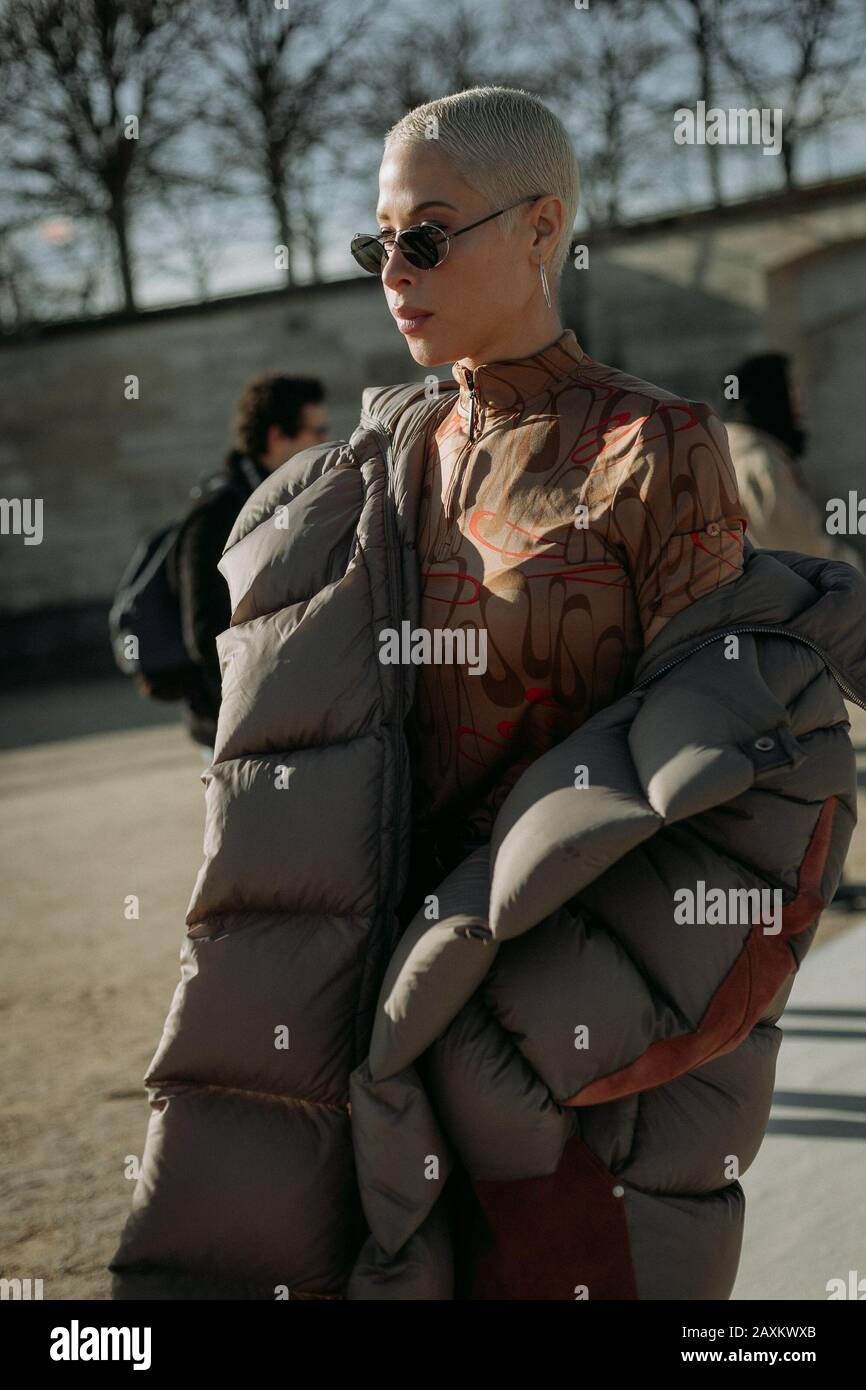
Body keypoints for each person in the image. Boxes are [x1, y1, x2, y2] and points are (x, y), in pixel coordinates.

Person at [110, 86, 866, 1301]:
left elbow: (722, 742)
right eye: (377, 243)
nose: (392, 271)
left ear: (538, 227)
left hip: (569, 1008)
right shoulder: (382, 459)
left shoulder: (652, 444)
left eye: (425, 235)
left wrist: (514, 1013)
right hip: (383, 984)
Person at [174, 374, 329, 755]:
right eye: (318, 431)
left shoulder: (282, 496)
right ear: (278, 437)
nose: (325, 442)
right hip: (234, 720)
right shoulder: (219, 511)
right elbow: (204, 632)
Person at [722, 352, 862, 569]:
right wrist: (853, 570)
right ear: (771, 396)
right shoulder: (760, 465)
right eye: (791, 388)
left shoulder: (729, 453)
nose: (800, 399)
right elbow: (802, 552)